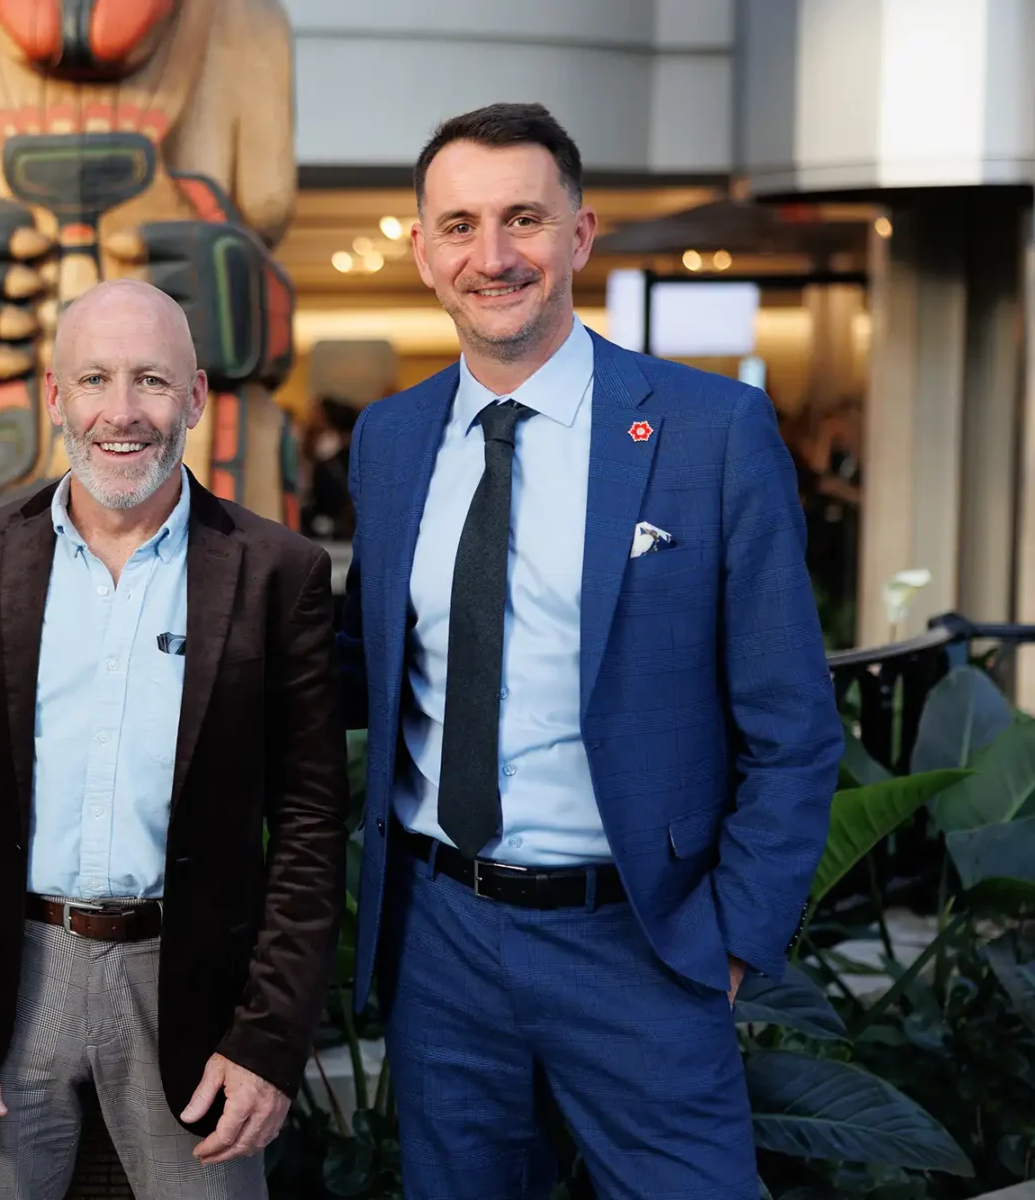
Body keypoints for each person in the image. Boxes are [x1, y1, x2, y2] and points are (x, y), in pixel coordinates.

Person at [337, 103, 843, 1198]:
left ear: (581, 233)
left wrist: (731, 946)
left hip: (641, 942)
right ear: (421, 250)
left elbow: (793, 726)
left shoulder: (712, 433)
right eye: (460, 224)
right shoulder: (388, 441)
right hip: (443, 938)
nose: (494, 254)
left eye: (525, 217)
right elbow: (358, 669)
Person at [0, 278, 348, 1200]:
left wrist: (267, 1039)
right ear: (54, 398)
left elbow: (309, 825)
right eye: (94, 380)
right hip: (7, 976)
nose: (122, 413)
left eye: (151, 381)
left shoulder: (276, 573)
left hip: (193, 984)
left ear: (197, 397)